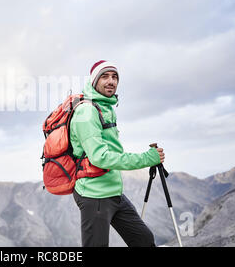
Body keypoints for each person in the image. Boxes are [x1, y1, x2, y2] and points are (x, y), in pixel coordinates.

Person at [69, 60, 165, 247]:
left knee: (144, 239)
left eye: (115, 77)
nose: (111, 81)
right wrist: (146, 159)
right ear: (94, 81)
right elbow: (100, 157)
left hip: (113, 191)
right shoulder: (87, 113)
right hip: (94, 194)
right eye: (104, 76)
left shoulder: (105, 107)